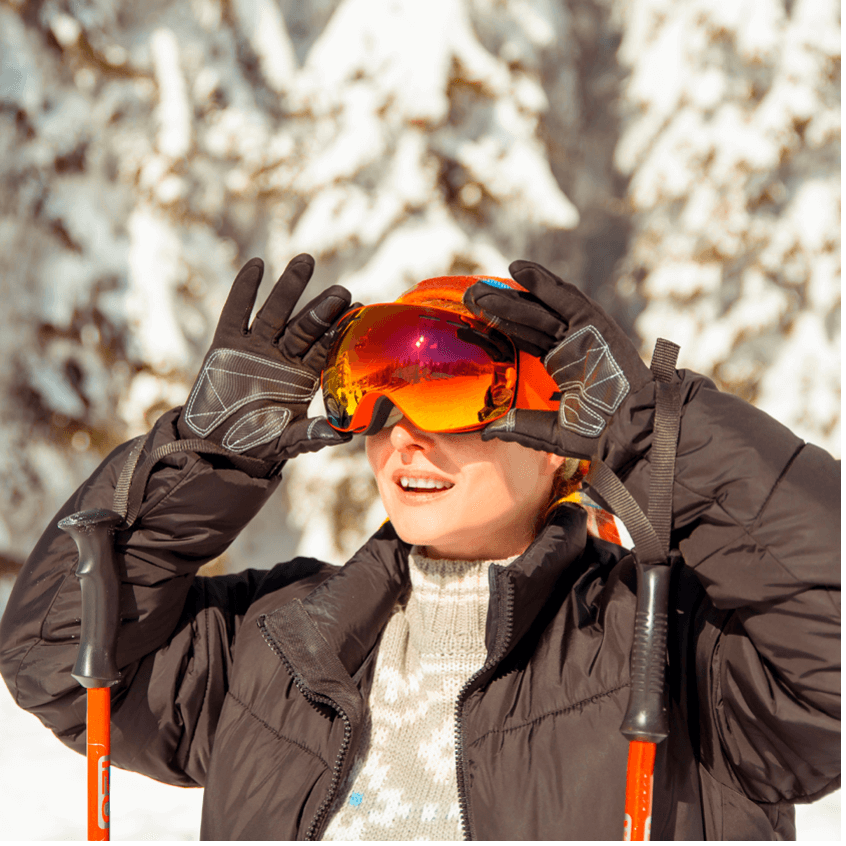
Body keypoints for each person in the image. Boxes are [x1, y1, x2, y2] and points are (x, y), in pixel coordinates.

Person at [0, 255, 839, 841]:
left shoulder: (676, 649)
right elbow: (59, 657)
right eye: (380, 405)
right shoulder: (279, 646)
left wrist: (665, 440)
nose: (404, 441)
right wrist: (206, 460)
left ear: (558, 439)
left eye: (448, 400)